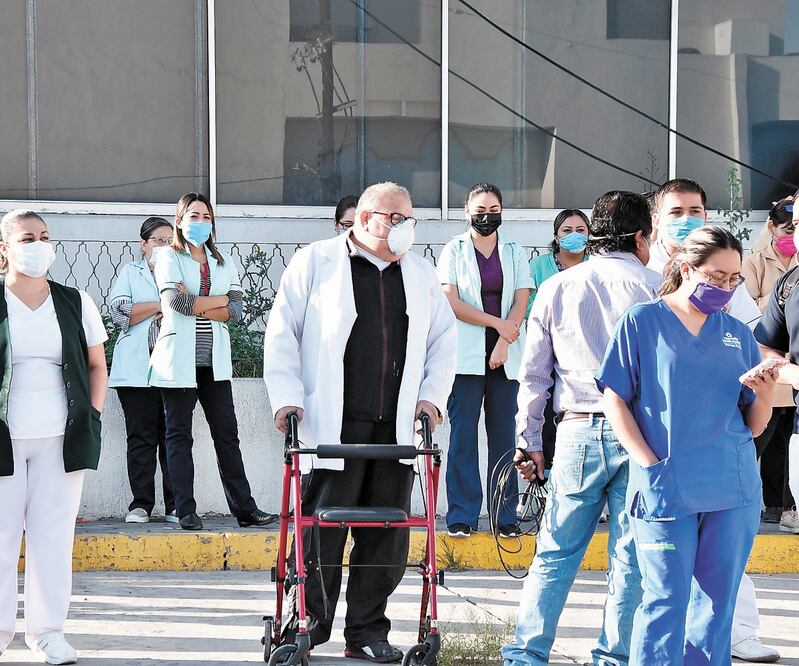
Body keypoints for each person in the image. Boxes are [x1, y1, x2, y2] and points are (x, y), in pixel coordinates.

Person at [263, 181, 457, 663]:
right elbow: (282, 331)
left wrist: (431, 400)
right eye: (395, 217)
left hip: (395, 428)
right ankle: (307, 625)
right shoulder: (316, 262)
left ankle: (367, 631)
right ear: (366, 217)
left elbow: (443, 342)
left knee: (386, 536)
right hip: (332, 426)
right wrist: (287, 398)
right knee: (321, 530)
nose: (403, 226)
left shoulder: (421, 274)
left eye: (409, 218)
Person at [598, 225, 775, 665]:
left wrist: (767, 390)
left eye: (734, 279)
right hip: (666, 483)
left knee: (716, 609)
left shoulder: (737, 333)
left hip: (732, 488)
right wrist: (649, 465)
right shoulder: (643, 322)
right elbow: (615, 399)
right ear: (685, 268)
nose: (726, 287)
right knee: (664, 603)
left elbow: (753, 425)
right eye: (717, 277)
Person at [502, 191, 659, 666]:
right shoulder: (657, 288)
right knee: (629, 559)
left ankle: (526, 655)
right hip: (640, 435)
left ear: (592, 235)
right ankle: (612, 658)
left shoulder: (557, 286)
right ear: (639, 236)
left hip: (577, 431)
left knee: (554, 552)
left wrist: (528, 443)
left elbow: (533, 375)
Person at [648, 178, 780, 663]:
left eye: (697, 209)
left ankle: (737, 636)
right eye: (677, 210)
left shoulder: (729, 302)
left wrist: (775, 380)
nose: (689, 217)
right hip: (664, 462)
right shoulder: (645, 305)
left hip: (726, 468)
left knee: (721, 585)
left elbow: (756, 358)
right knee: (658, 588)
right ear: (656, 220)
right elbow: (623, 388)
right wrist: (647, 459)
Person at [0, 210, 108, 664]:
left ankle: (47, 633)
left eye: (44, 236)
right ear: (5, 247)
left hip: (62, 439)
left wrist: (91, 417)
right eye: (27, 237)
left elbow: (97, 365)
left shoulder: (75, 300)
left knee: (52, 538)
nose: (38, 244)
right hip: (5, 439)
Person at [149, 193, 276, 532]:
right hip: (177, 360)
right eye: (193, 215)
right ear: (179, 220)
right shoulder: (167, 257)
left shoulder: (223, 261)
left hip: (214, 362)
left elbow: (235, 310)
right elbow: (175, 302)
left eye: (206, 216)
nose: (200, 222)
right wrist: (216, 302)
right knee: (178, 436)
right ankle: (184, 510)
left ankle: (245, 509)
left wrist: (200, 302)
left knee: (227, 434)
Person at [437, 182, 532, 538]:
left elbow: (521, 299)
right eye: (480, 210)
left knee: (504, 437)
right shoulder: (454, 250)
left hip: (506, 357)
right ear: (466, 212)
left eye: (493, 209)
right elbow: (452, 301)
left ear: (502, 210)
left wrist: (505, 340)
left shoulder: (514, 250)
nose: (487, 216)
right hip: (466, 359)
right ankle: (461, 514)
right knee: (463, 436)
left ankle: (504, 515)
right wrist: (498, 325)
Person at [109, 217, 177, 524]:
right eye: (158, 241)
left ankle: (177, 505)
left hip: (174, 368)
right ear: (144, 244)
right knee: (141, 438)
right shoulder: (130, 272)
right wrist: (161, 303)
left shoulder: (181, 272)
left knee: (173, 438)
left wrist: (151, 305)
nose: (164, 246)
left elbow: (189, 305)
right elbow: (122, 312)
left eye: (169, 241)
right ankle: (141, 504)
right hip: (135, 371)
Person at [742, 196, 797, 532]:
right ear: (771, 228)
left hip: (789, 366)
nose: (792, 234)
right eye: (789, 228)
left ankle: (782, 505)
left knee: (783, 445)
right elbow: (749, 307)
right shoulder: (758, 263)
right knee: (764, 439)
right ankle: (763, 503)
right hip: (776, 373)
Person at [526, 209, 590, 471]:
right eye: (567, 230)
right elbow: (530, 308)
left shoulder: (597, 265)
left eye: (580, 230)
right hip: (548, 353)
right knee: (545, 421)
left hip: (586, 356)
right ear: (556, 235)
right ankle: (542, 483)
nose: (574, 236)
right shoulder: (539, 267)